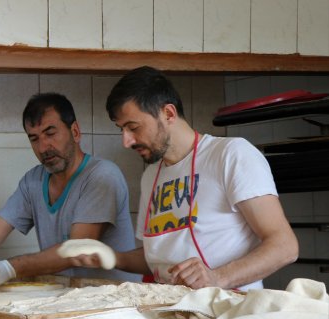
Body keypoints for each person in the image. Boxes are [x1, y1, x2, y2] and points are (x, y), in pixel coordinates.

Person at [70, 66, 298, 291]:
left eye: (133, 127)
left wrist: (217, 278)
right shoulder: (151, 175)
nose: (126, 141)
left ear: (168, 113)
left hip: (229, 309)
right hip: (173, 308)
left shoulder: (231, 154)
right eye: (122, 129)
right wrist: (111, 257)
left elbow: (284, 246)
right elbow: (157, 257)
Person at [0, 93, 138, 290]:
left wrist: (8, 268)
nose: (43, 147)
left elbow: (77, 249)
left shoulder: (102, 176)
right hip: (66, 298)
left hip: (115, 300)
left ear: (75, 132)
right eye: (34, 138)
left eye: (50, 133)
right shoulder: (33, 180)